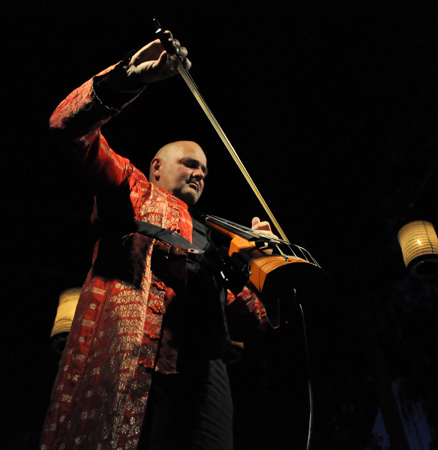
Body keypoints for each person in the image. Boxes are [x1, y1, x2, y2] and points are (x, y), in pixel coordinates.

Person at [40, 31, 277, 450]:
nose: (200, 174)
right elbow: (67, 129)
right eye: (189, 164)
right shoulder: (131, 189)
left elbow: (253, 321)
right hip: (133, 357)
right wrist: (128, 77)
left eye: (204, 169)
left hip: (206, 378)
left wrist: (259, 265)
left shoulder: (216, 239)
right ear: (156, 167)